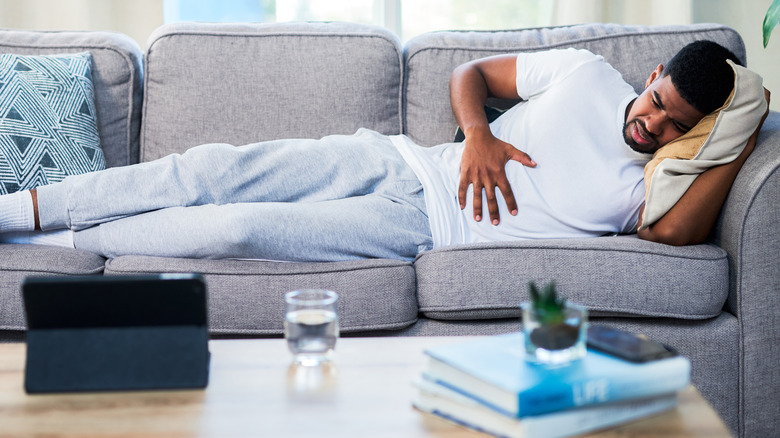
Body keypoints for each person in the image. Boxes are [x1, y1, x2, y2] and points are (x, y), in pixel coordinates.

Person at [0, 40, 769, 261]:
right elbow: (471, 74)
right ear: (652, 75)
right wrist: (479, 136)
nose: (652, 127)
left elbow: (676, 236)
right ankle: (18, 211)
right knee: (209, 171)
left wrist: (736, 134)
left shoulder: (655, 188)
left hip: (421, 230)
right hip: (398, 162)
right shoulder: (588, 75)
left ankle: (65, 240)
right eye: (657, 104)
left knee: (233, 229)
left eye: (675, 126)